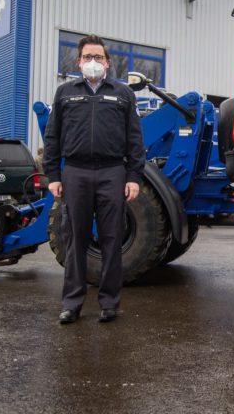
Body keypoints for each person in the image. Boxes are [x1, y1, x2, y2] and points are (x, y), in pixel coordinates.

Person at [43, 34, 145, 324]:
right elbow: (52, 137)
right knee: (75, 238)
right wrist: (53, 175)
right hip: (75, 172)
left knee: (111, 238)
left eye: (98, 57)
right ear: (78, 61)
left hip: (113, 172)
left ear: (108, 62)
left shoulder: (123, 94)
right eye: (87, 57)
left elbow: (135, 140)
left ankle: (109, 303)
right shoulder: (65, 93)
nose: (93, 62)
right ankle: (71, 303)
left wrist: (134, 176)